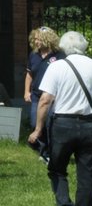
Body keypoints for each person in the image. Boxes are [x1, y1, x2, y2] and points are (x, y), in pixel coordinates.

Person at [28, 30, 92, 206]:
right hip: (90, 124)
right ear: (84, 46)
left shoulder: (57, 67)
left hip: (62, 125)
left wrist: (38, 128)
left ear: (63, 47)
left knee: (57, 169)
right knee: (87, 173)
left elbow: (45, 100)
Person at [24, 27, 61, 160]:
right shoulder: (33, 55)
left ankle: (49, 153)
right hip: (36, 95)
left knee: (49, 124)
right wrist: (26, 91)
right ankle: (43, 149)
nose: (36, 41)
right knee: (35, 123)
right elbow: (29, 74)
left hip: (53, 96)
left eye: (39, 39)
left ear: (48, 39)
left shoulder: (59, 55)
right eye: (35, 39)